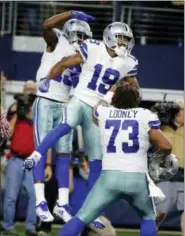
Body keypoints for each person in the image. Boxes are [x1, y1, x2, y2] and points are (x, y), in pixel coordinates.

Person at [23, 22, 139, 227]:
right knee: (65, 127)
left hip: (96, 109)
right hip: (77, 100)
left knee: (96, 159)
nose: (125, 43)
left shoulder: (128, 62)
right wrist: (48, 78)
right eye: (122, 39)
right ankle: (37, 155)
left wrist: (128, 98)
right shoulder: (92, 48)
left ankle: (89, 210)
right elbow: (65, 61)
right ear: (111, 36)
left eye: (127, 40)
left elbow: (133, 87)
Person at [57, 82, 175, 236]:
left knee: (81, 217)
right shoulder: (145, 114)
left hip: (109, 178)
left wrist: (110, 92)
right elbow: (166, 146)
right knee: (148, 217)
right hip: (137, 178)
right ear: (137, 100)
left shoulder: (105, 113)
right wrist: (158, 158)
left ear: (115, 98)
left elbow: (96, 110)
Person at [32, 10, 95, 223]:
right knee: (40, 150)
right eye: (78, 34)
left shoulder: (84, 55)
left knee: (64, 155)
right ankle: (40, 201)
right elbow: (46, 26)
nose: (81, 39)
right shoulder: (57, 41)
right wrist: (69, 13)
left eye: (84, 36)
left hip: (66, 104)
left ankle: (62, 204)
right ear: (68, 32)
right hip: (46, 99)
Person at [2, 81, 38, 236]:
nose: (29, 93)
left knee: (34, 195)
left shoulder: (38, 111)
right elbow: (7, 132)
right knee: (11, 196)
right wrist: (17, 112)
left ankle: (31, 227)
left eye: (32, 90)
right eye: (27, 90)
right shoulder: (14, 108)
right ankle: (8, 226)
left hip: (31, 160)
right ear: (23, 91)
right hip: (15, 159)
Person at [155, 100, 184, 236]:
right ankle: (152, 228)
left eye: (182, 109)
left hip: (183, 174)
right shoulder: (161, 125)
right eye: (178, 109)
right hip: (164, 173)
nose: (180, 112)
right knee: (162, 210)